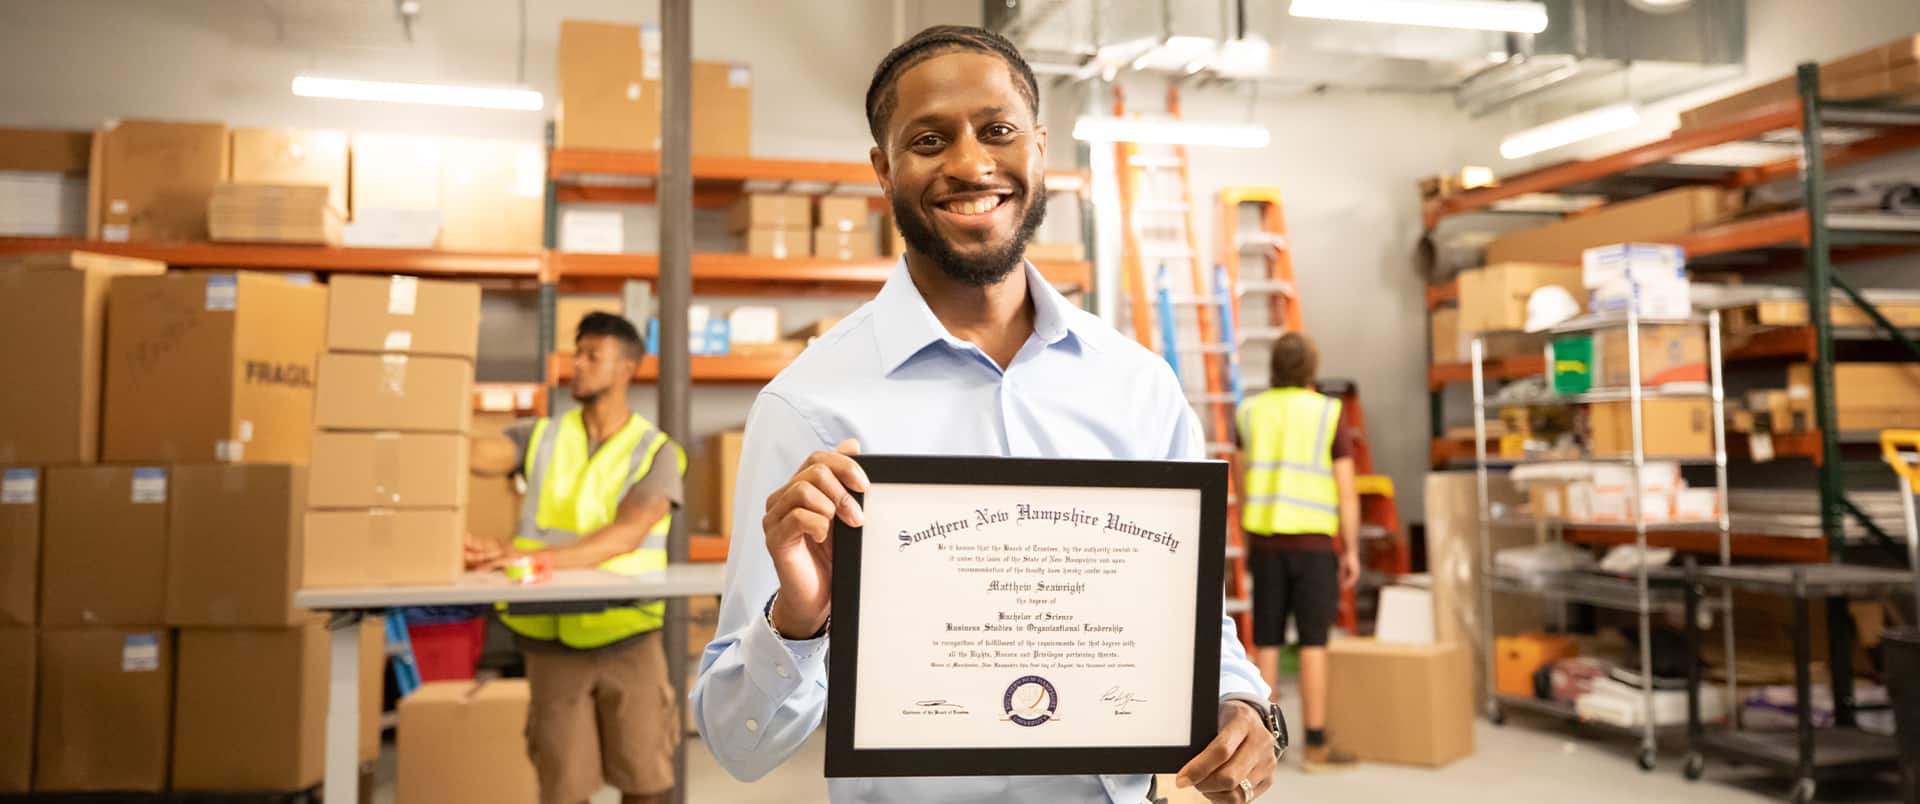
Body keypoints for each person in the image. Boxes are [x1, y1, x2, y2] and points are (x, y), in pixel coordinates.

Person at [691, 25, 1281, 804]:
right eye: (929, 139)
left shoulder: (1138, 387)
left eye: (998, 131)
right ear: (883, 168)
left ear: (1038, 148)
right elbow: (737, 746)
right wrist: (798, 620)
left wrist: (1240, 700)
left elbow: (1194, 621)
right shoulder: (808, 408)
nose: (971, 164)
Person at [466, 311, 688, 804]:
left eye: (592, 355)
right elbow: (478, 454)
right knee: (563, 788)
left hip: (627, 637)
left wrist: (522, 558)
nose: (577, 365)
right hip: (550, 639)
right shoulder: (540, 436)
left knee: (647, 783)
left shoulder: (657, 452)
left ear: (628, 367)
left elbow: (625, 537)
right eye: (576, 352)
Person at [1235, 332, 1362, 773]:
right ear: (1311, 367)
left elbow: (1243, 478)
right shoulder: (1328, 413)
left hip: (1266, 542)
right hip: (1314, 545)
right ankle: (1316, 745)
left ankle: (1264, 747)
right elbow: (1347, 491)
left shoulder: (1250, 411)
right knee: (1313, 644)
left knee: (1265, 641)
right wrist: (1351, 550)